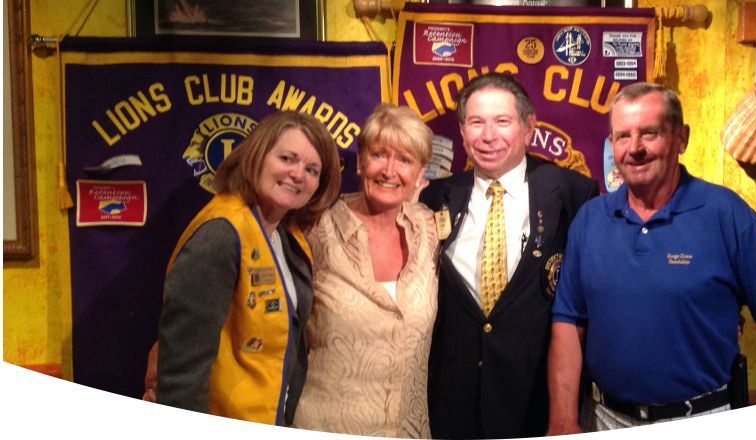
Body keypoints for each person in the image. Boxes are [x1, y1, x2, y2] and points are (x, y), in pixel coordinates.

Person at [547, 83, 756, 433]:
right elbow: (568, 322)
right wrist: (562, 419)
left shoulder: (727, 215)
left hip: (702, 418)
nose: (634, 148)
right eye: (623, 137)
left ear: (681, 139)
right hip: (604, 419)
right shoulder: (590, 220)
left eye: (649, 133)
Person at [418, 72, 599, 439]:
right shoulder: (433, 197)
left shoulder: (573, 194)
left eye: (502, 121)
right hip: (453, 404)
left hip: (537, 402)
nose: (488, 136)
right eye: (476, 122)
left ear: (528, 127)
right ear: (462, 130)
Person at [154, 111, 341, 425]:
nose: (298, 174)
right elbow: (181, 375)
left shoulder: (287, 236)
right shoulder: (221, 235)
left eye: (311, 170)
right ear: (258, 155)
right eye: (287, 158)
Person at [291, 104, 439, 438]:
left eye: (404, 160)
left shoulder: (429, 231)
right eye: (379, 154)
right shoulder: (314, 227)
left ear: (421, 173)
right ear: (359, 162)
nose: (389, 170)